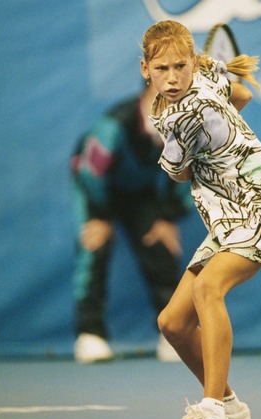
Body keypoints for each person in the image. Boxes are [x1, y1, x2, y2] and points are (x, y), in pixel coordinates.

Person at [140, 20, 261, 419]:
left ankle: (213, 410)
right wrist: (224, 134)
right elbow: (241, 92)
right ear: (145, 68)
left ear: (192, 63)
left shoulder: (186, 113)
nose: (172, 77)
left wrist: (211, 135)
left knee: (208, 289)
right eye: (163, 68)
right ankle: (233, 409)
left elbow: (178, 174)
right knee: (173, 323)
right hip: (226, 222)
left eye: (180, 67)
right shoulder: (205, 80)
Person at [69, 81, 193, 364]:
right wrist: (100, 216)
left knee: (160, 243)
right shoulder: (113, 125)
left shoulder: (187, 128)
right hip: (94, 187)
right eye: (161, 98)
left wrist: (166, 216)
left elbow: (187, 179)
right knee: (94, 245)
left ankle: (173, 333)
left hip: (139, 190)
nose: (170, 108)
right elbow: (91, 173)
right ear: (144, 93)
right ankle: (89, 334)